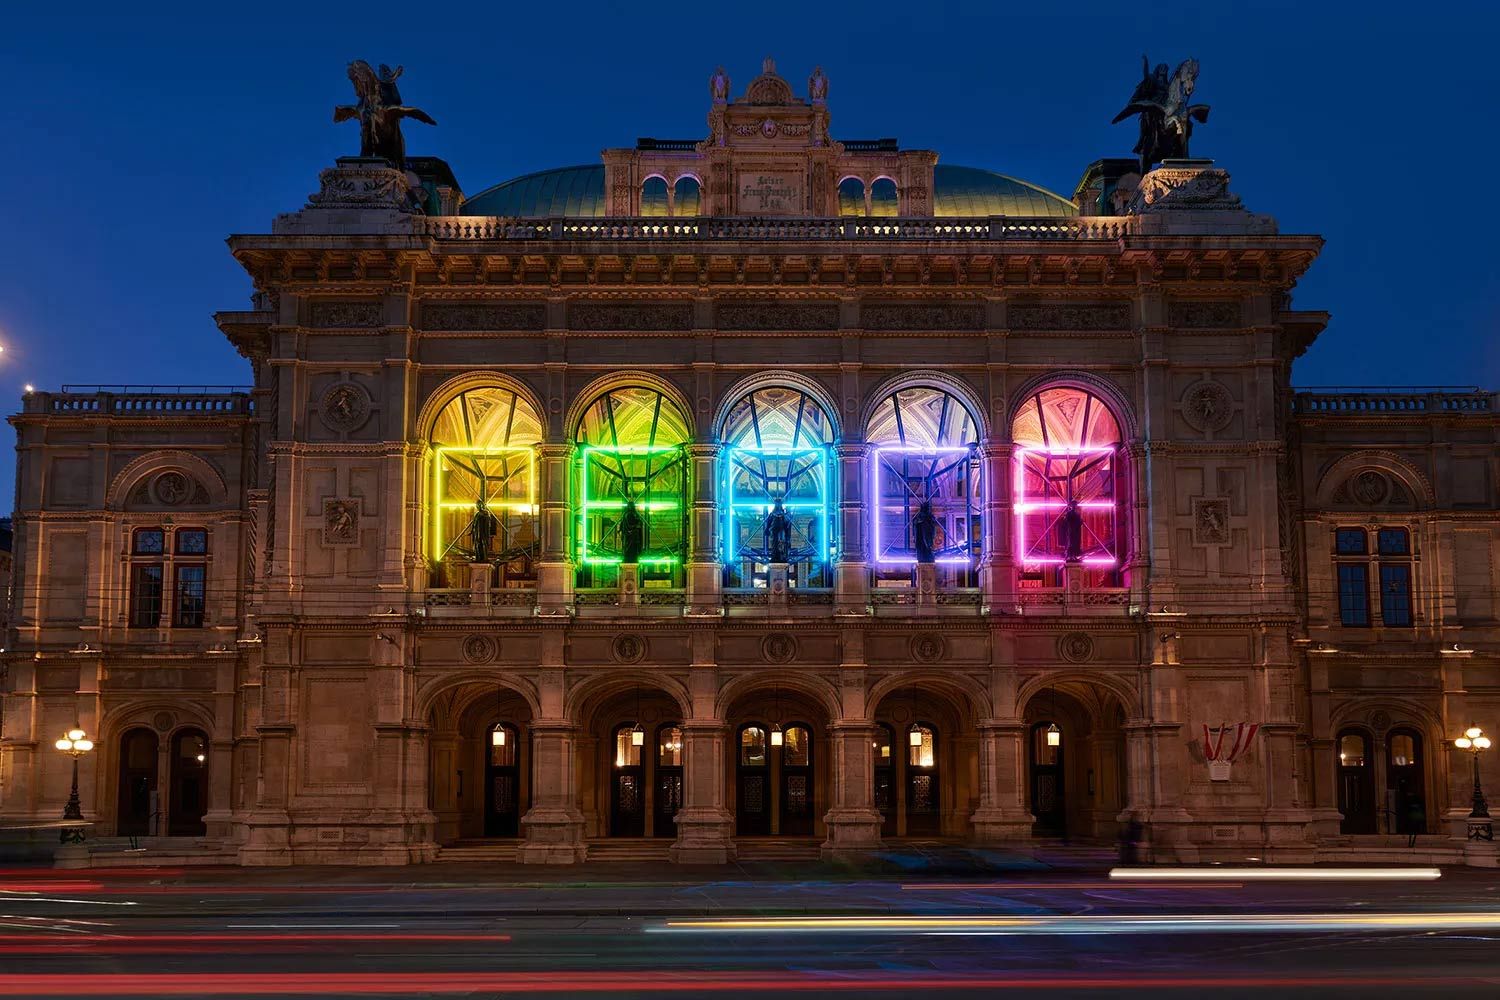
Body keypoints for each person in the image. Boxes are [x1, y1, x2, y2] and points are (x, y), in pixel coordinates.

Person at [469, 497, 499, 563]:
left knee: (483, 544)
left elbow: (488, 523)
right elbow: (474, 523)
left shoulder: (485, 513)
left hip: (483, 532)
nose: (477, 507)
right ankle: (478, 557)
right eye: (477, 505)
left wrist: (487, 532)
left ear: (481, 505)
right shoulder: (477, 514)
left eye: (478, 505)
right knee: (477, 544)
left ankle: (484, 557)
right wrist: (471, 531)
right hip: (477, 532)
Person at [764, 497, 792, 563]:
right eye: (777, 503)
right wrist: (767, 529)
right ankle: (776, 556)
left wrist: (787, 533)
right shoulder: (774, 514)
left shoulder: (780, 514)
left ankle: (781, 556)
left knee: (781, 542)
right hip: (775, 530)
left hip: (779, 530)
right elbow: (769, 522)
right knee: (775, 543)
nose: (778, 505)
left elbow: (786, 524)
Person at [620, 498, 645, 564]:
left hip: (629, 536)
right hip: (632, 536)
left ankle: (630, 557)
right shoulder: (629, 514)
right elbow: (632, 524)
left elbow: (623, 525)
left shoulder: (626, 514)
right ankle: (631, 557)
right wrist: (638, 522)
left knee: (630, 548)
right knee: (632, 548)